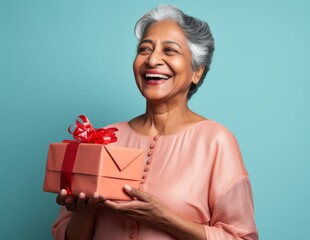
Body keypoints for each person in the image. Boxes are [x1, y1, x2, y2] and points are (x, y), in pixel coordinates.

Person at [53, 5, 258, 240]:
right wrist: (84, 213)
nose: (152, 59)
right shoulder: (104, 138)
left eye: (169, 50)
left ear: (197, 73)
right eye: (144, 49)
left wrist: (165, 219)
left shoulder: (215, 142)